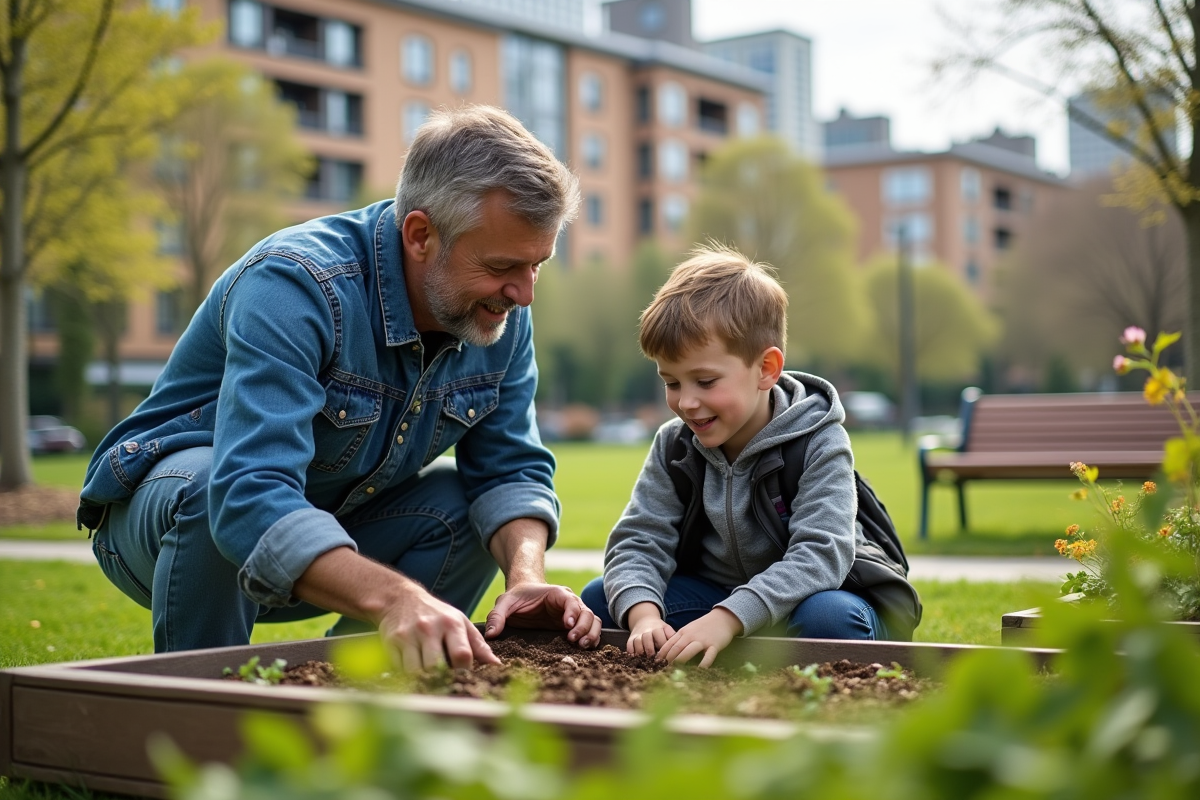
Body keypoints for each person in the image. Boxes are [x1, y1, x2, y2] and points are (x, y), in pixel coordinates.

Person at [77, 105, 600, 669]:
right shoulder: (295, 285)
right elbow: (247, 493)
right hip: (171, 529)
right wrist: (398, 596)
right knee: (212, 485)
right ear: (421, 234)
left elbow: (509, 469)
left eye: (536, 265)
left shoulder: (496, 313)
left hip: (330, 534)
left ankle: (361, 699)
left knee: (462, 507)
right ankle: (205, 706)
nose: (524, 295)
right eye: (504, 266)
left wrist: (525, 576)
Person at [581, 245, 888, 668]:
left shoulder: (820, 439)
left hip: (810, 603)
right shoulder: (674, 444)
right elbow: (639, 539)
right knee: (603, 597)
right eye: (671, 383)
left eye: (705, 381)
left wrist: (728, 619)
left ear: (766, 369)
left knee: (831, 620)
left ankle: (756, 660)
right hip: (715, 601)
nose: (686, 403)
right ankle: (724, 657)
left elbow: (820, 555)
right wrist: (645, 616)